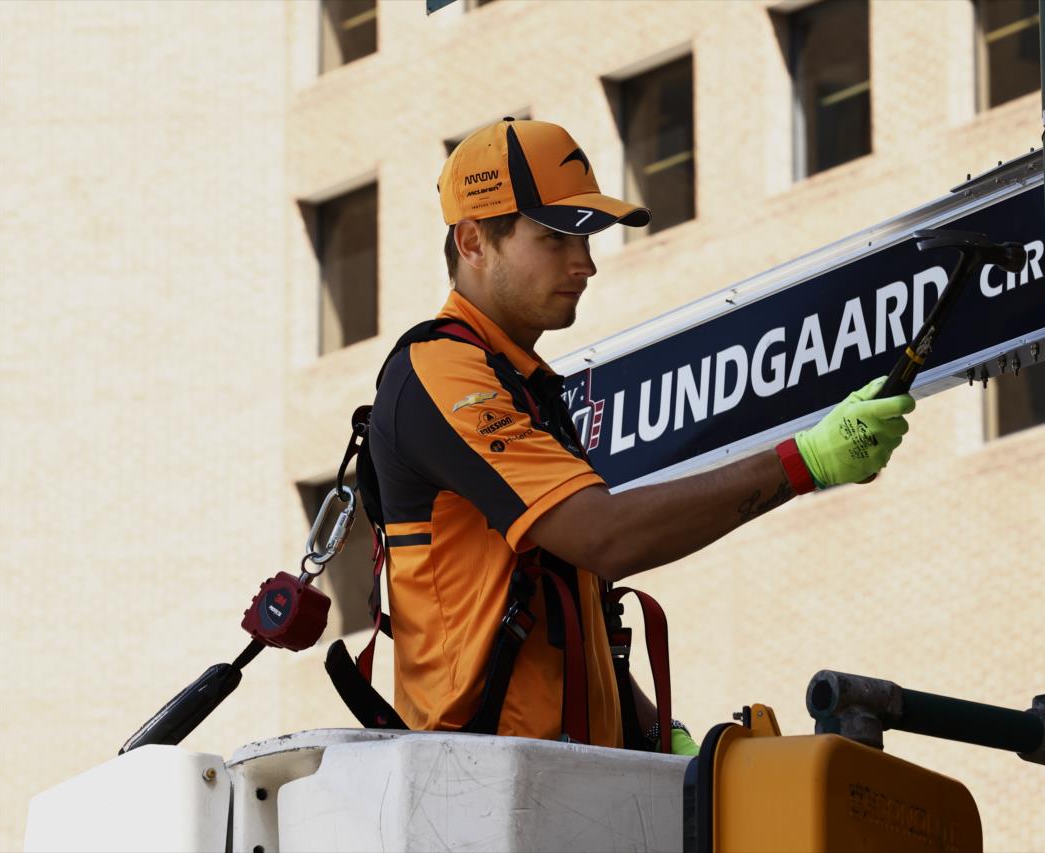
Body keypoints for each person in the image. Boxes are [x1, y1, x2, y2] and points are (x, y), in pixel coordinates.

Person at [369, 118, 914, 754]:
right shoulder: (440, 372)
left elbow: (553, 618)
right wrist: (804, 462)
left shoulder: (523, 380)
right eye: (554, 239)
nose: (586, 264)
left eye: (589, 240)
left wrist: (657, 736)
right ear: (472, 242)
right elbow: (605, 536)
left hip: (549, 782)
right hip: (473, 792)